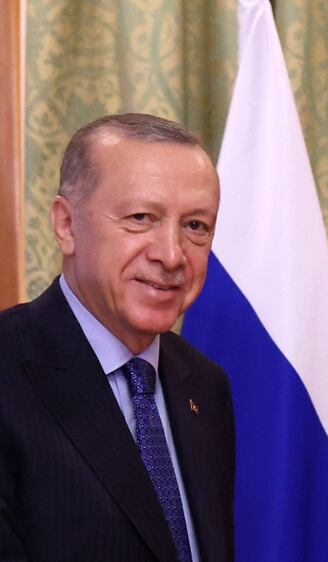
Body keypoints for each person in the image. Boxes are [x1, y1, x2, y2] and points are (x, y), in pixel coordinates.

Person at [0, 113, 234, 561]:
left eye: (196, 226)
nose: (171, 254)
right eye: (141, 217)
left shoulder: (205, 385)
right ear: (66, 225)